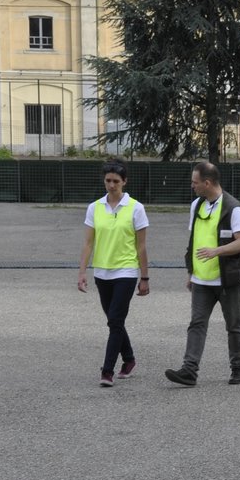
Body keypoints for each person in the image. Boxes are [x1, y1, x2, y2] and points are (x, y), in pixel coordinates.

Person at [165, 162, 240, 387]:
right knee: (197, 323)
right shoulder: (196, 206)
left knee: (233, 324)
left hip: (227, 279)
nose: (192, 186)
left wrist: (217, 251)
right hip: (201, 279)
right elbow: (193, 241)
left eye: (195, 182)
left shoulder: (234, 209)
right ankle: (189, 370)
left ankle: (238, 368)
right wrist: (191, 273)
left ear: (207, 183)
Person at [76, 159, 151, 386]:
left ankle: (107, 371)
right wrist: (82, 272)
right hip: (102, 271)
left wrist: (144, 277)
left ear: (124, 182)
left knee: (116, 320)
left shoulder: (136, 208)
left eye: (116, 181)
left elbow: (141, 246)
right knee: (113, 321)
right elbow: (88, 243)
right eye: (108, 180)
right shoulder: (95, 207)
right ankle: (129, 359)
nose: (111, 185)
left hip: (126, 271)